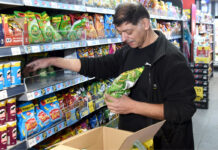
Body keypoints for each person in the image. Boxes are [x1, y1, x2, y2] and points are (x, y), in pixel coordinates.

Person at [26, 2, 196, 149]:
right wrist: (54, 61)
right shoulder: (129, 51)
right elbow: (97, 66)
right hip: (132, 140)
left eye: (128, 31)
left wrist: (131, 106)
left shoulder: (171, 59)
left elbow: (184, 109)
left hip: (165, 142)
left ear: (145, 23)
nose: (123, 38)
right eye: (120, 32)